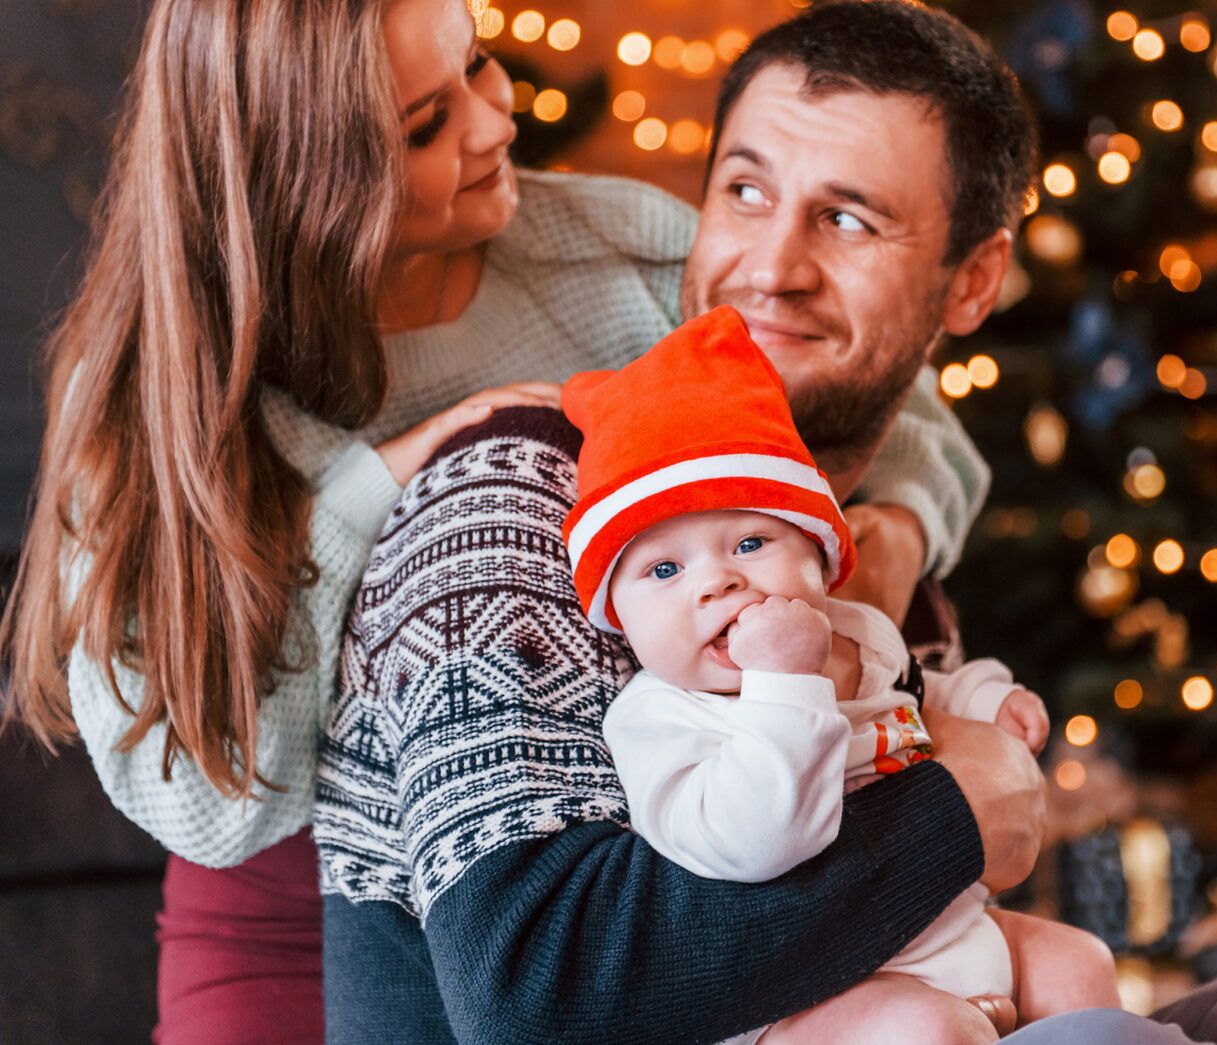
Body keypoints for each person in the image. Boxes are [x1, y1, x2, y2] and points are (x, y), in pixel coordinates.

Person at [316, 2, 1217, 1043]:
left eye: (844, 219)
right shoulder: (522, 496)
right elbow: (529, 998)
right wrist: (950, 813)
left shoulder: (871, 552)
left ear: (973, 280)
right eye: (744, 193)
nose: (771, 269)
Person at [0, 0, 987, 1040]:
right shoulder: (158, 403)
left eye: (477, 65)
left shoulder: (612, 250)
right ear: (298, 175)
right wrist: (374, 486)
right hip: (309, 917)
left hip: (617, 856)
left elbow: (882, 398)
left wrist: (893, 533)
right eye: (426, 123)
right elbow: (207, 805)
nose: (493, 124)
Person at [564, 305, 1121, 1042]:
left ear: (819, 554)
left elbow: (923, 696)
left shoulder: (857, 632)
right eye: (664, 568)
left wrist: (991, 700)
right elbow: (759, 841)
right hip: (815, 995)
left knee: (1079, 959)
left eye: (753, 540)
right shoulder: (660, 717)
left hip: (948, 930)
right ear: (619, 617)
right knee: (926, 1029)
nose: (719, 583)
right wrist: (785, 683)